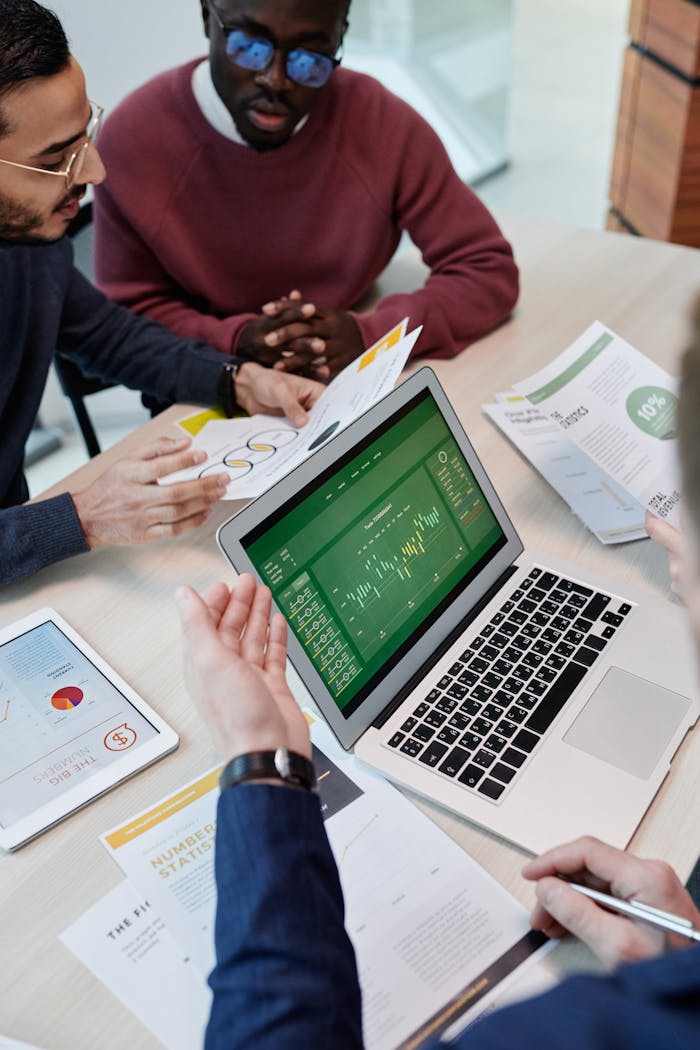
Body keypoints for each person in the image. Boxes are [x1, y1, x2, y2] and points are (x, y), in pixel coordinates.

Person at [175, 304, 700, 1046]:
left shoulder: (567, 1029)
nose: (669, 554)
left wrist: (262, 757)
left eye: (687, 541)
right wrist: (679, 963)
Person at [0, 0, 323, 589]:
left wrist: (237, 379)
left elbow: (106, 336)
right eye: (55, 160)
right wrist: (84, 518)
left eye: (85, 136)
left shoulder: (25, 238)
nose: (94, 172)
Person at [93, 0, 519, 381]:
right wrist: (235, 339)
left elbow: (487, 270)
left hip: (353, 370)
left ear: (340, 38)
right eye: (250, 46)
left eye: (309, 59)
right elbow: (129, 318)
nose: (275, 81)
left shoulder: (378, 121)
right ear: (207, 16)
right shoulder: (134, 140)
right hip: (211, 379)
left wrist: (370, 335)